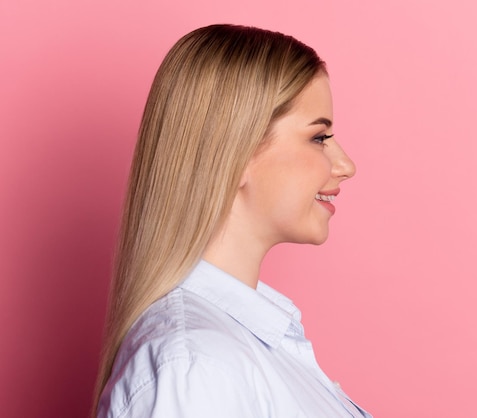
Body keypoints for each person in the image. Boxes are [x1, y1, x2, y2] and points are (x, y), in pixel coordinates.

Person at [92, 24, 371, 417]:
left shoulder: (227, 351)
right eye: (319, 138)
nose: (345, 165)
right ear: (235, 154)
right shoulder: (198, 366)